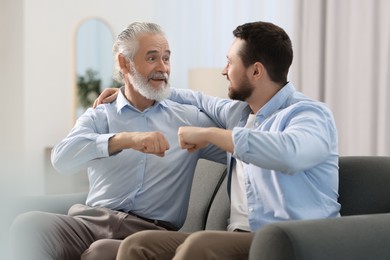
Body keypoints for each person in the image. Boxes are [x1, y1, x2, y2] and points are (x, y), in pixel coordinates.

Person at [96, 21, 341, 260]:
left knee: (201, 245)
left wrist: (209, 134)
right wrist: (132, 90)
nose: (224, 71)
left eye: (229, 62)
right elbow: (196, 98)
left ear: (256, 71)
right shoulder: (239, 113)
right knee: (139, 245)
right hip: (238, 238)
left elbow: (289, 153)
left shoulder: (309, 114)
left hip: (291, 240)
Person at [9, 22, 225, 260]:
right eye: (152, 58)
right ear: (124, 63)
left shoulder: (188, 118)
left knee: (102, 252)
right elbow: (61, 159)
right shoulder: (101, 114)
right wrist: (123, 140)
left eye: (166, 58)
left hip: (150, 233)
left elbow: (240, 139)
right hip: (89, 222)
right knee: (29, 225)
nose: (163, 67)